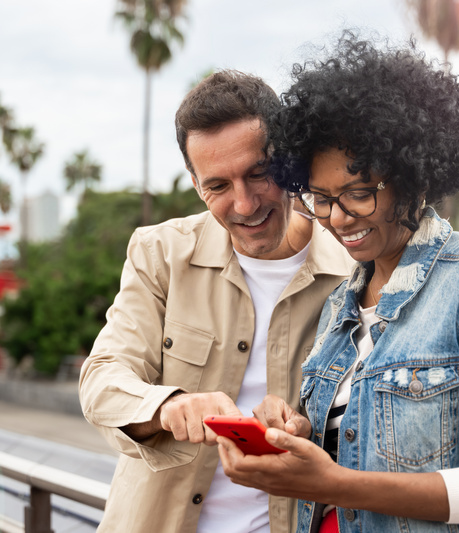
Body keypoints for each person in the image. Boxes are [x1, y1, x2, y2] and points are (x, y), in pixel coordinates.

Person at [217, 32, 459, 533]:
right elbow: (361, 438)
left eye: (358, 193)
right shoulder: (342, 302)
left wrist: (332, 483)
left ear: (415, 178)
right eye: (320, 198)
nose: (337, 218)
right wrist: (296, 427)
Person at [79, 70, 353, 532]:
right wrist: (167, 408)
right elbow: (102, 378)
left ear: (287, 161)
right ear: (193, 181)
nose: (244, 205)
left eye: (258, 174)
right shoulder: (160, 252)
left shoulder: (352, 272)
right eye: (218, 186)